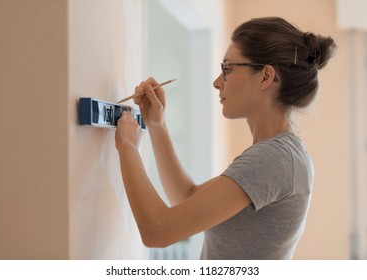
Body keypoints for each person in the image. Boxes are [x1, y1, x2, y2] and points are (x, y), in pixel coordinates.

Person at [114, 17, 336, 259]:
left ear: (265, 77)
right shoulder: (281, 155)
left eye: (227, 69)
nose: (217, 83)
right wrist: (157, 125)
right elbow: (185, 197)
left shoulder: (274, 158)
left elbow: (157, 231)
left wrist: (127, 146)